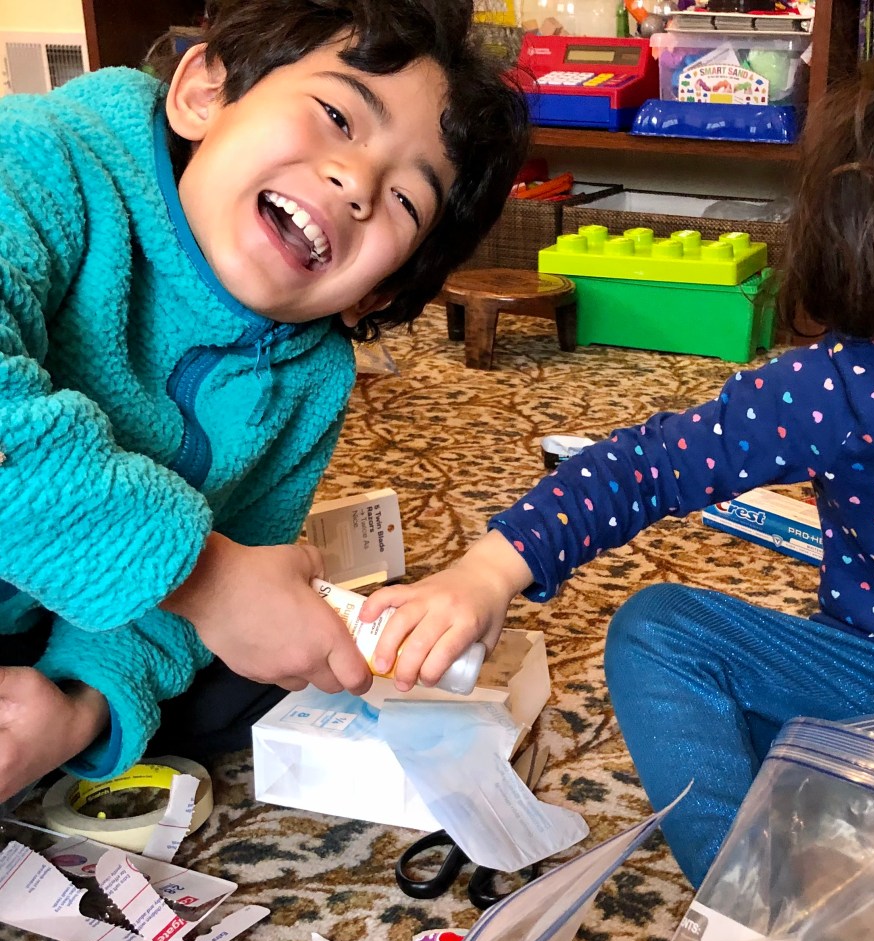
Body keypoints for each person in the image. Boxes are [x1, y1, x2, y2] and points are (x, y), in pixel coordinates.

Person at [361, 0, 874, 886]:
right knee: (660, 635)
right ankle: (750, 900)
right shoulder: (839, 385)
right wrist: (484, 574)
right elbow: (643, 467)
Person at [0, 0, 528, 800]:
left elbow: (228, 577)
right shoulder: (41, 160)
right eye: (337, 117)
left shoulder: (311, 378)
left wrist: (78, 707)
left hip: (49, 607)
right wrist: (210, 578)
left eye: (405, 202)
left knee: (275, 654)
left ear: (375, 294)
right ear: (205, 91)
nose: (357, 183)